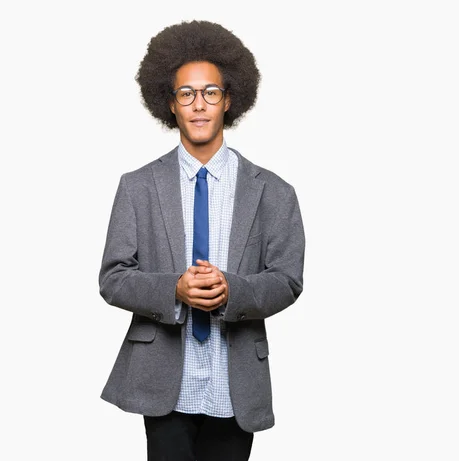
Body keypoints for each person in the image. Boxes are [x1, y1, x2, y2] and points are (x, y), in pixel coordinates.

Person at [98, 19, 305, 461]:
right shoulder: (137, 186)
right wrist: (172, 288)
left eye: (210, 92)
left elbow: (287, 280)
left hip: (236, 382)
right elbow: (114, 278)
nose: (198, 105)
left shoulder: (273, 191)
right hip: (163, 381)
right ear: (169, 104)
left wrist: (235, 289)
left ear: (229, 99)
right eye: (186, 94)